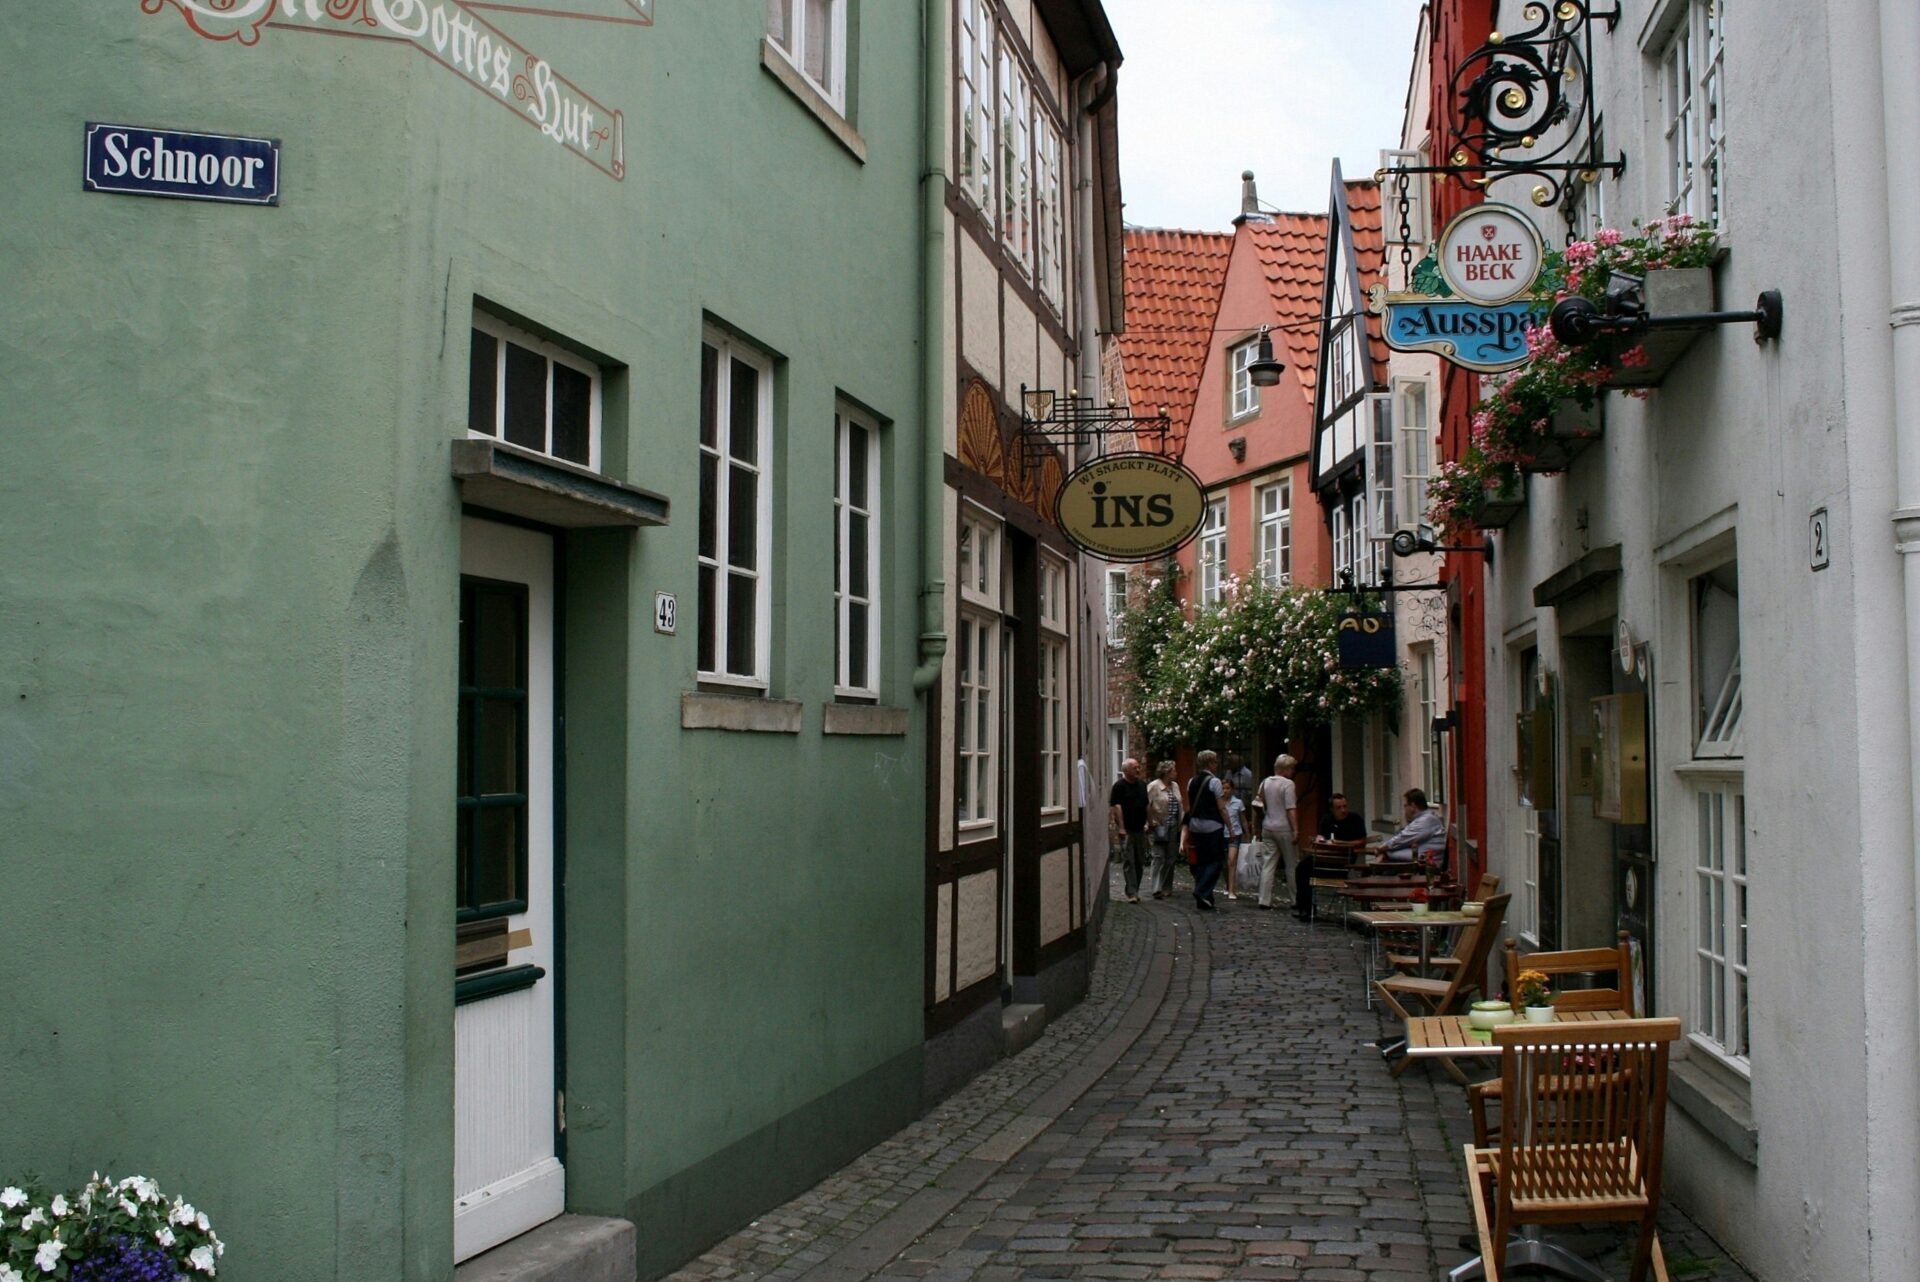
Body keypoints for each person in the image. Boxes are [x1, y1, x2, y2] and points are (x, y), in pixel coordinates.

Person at [1299, 791, 1368, 921]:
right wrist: (1319, 839)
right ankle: (1306, 909)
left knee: (1306, 867)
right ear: (1332, 809)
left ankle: (1306, 909)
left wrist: (1343, 843)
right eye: (1339, 807)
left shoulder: (1355, 819)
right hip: (1325, 860)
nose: (1343, 810)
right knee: (1302, 868)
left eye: (1345, 806)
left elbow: (1362, 841)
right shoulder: (1327, 820)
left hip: (1343, 863)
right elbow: (1322, 836)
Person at [1252, 754, 1299, 911]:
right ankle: (1295, 899)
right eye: (1292, 768)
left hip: (1268, 826)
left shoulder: (1265, 782)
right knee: (1291, 865)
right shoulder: (1288, 784)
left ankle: (1264, 899)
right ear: (1285, 769)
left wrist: (1258, 825)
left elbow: (1257, 803)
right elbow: (1290, 808)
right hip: (1284, 827)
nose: (1293, 771)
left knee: (1268, 864)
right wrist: (1296, 829)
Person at [1183, 750, 1228, 911]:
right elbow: (1222, 807)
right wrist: (1230, 827)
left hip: (1196, 825)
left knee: (1201, 861)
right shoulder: (1214, 782)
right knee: (1216, 860)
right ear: (1210, 763)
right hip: (1212, 826)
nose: (1217, 765)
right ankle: (1202, 890)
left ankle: (1206, 899)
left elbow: (1191, 803)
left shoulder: (1191, 781)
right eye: (1215, 762)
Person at [1108, 758, 1151, 903]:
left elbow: (1146, 806)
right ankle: (1131, 892)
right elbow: (1116, 807)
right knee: (1129, 860)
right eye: (1134, 768)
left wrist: (1149, 823)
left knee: (1139, 861)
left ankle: (1135, 889)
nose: (1138, 770)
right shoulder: (1119, 786)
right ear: (1126, 771)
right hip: (1126, 830)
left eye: (1138, 767)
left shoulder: (1142, 785)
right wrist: (1121, 827)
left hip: (1140, 828)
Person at [1146, 760, 1183, 899]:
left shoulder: (1175, 786)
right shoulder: (1154, 786)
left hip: (1173, 826)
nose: (1176, 773)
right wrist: (1149, 823)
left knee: (1171, 857)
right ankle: (1156, 887)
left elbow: (1180, 805)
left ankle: (1167, 886)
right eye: (1174, 771)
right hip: (1158, 826)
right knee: (1158, 856)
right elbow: (1147, 805)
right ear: (1167, 772)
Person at [1383, 787, 1448, 862]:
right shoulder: (1423, 819)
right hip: (1422, 862)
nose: (1404, 809)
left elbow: (1402, 839)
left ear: (1413, 806)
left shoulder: (1426, 820)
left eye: (1405, 805)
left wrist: (1383, 850)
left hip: (1428, 866)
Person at [1220, 777, 1247, 901]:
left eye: (1228, 788)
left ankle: (1232, 890)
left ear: (1232, 789)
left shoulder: (1238, 803)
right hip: (1221, 834)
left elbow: (1243, 819)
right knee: (1224, 863)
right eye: (1223, 788)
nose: (1225, 791)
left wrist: (1248, 833)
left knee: (1232, 861)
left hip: (1235, 835)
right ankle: (1227, 884)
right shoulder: (1219, 802)